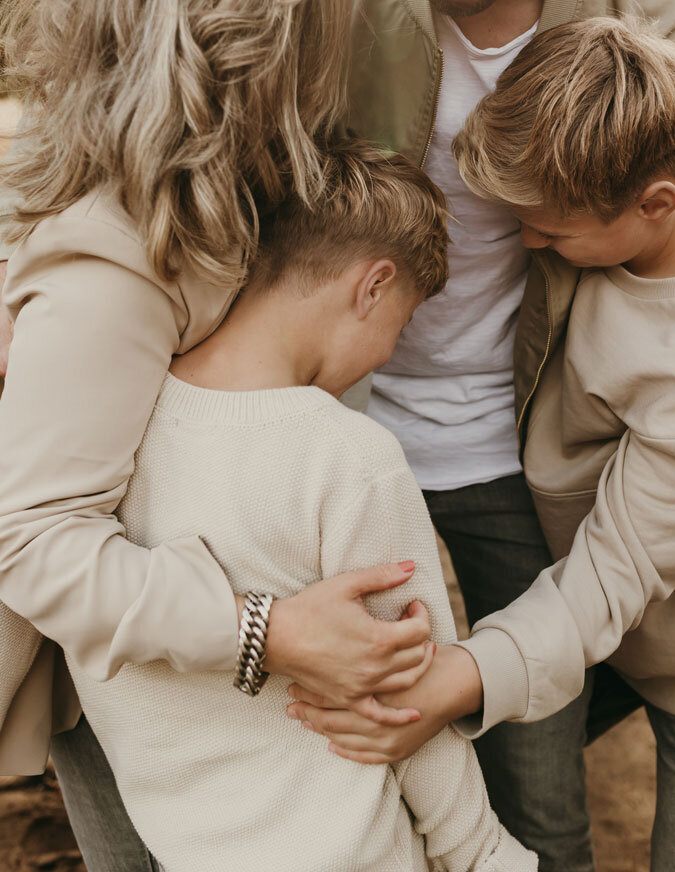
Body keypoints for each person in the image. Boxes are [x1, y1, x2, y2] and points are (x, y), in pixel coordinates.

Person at [4, 0, 675, 870]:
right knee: (251, 776)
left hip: (503, 468)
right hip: (282, 449)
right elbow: (130, 128)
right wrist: (263, 631)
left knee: (518, 797)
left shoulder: (669, 23)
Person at [0, 0, 437, 871]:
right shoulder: (113, 261)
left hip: (176, 648)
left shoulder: (218, 191)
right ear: (249, 27)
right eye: (325, 11)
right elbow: (34, 542)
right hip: (120, 671)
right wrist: (268, 632)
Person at [303, 18, 675, 870]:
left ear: (656, 203)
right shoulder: (634, 210)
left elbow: (608, 580)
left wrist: (448, 683)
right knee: (512, 756)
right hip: (625, 627)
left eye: (552, 231)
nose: (530, 245)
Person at [66, 140, 538, 872]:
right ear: (373, 286)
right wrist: (482, 852)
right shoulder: (348, 457)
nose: (384, 355)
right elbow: (405, 691)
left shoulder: (112, 428)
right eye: (401, 327)